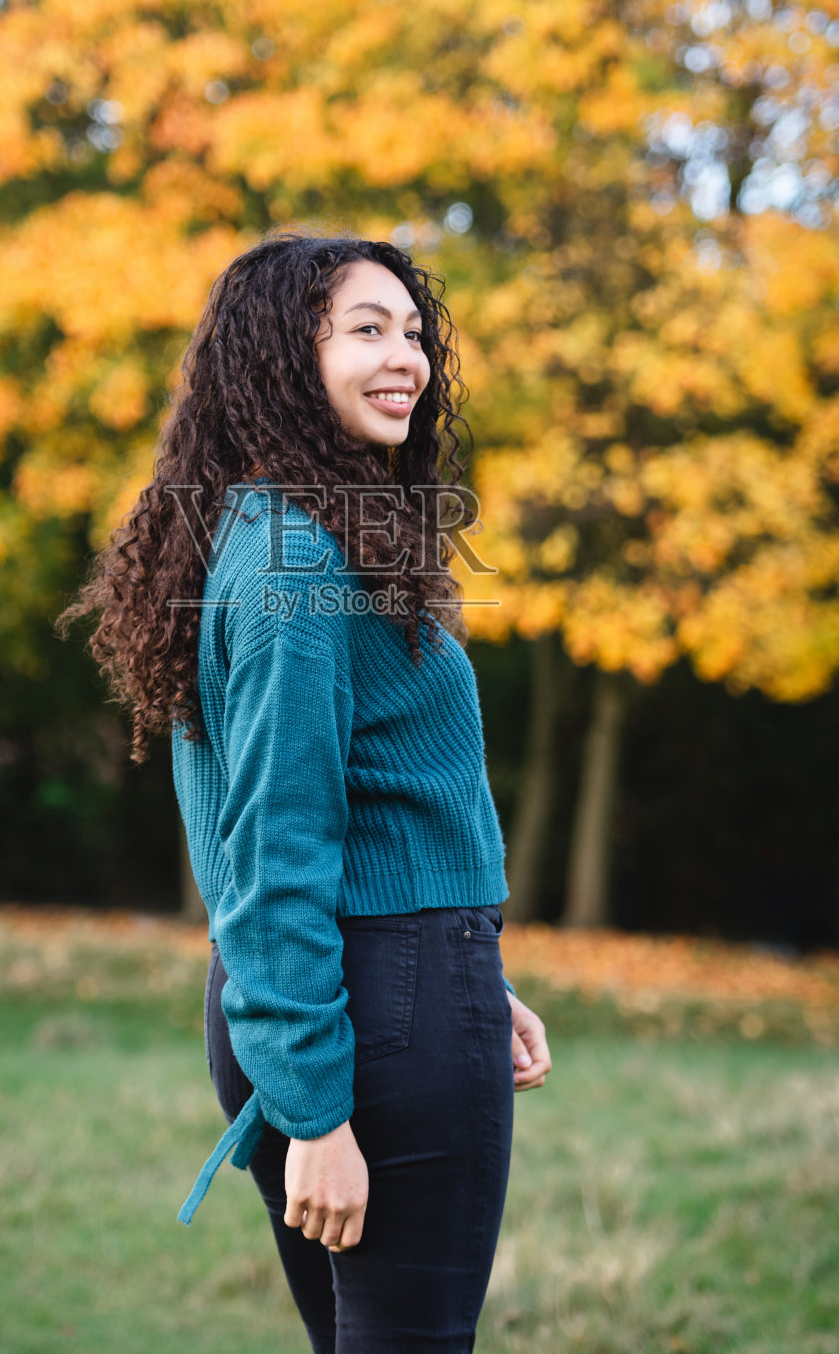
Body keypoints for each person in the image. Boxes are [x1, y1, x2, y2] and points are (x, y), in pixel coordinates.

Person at [62, 230, 553, 1354]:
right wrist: (320, 1114)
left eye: (414, 332)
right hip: (358, 1010)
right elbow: (276, 849)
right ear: (287, 358)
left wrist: (476, 974)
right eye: (367, 330)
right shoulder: (302, 563)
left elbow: (374, 805)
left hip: (357, 995)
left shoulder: (264, 528)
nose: (408, 359)